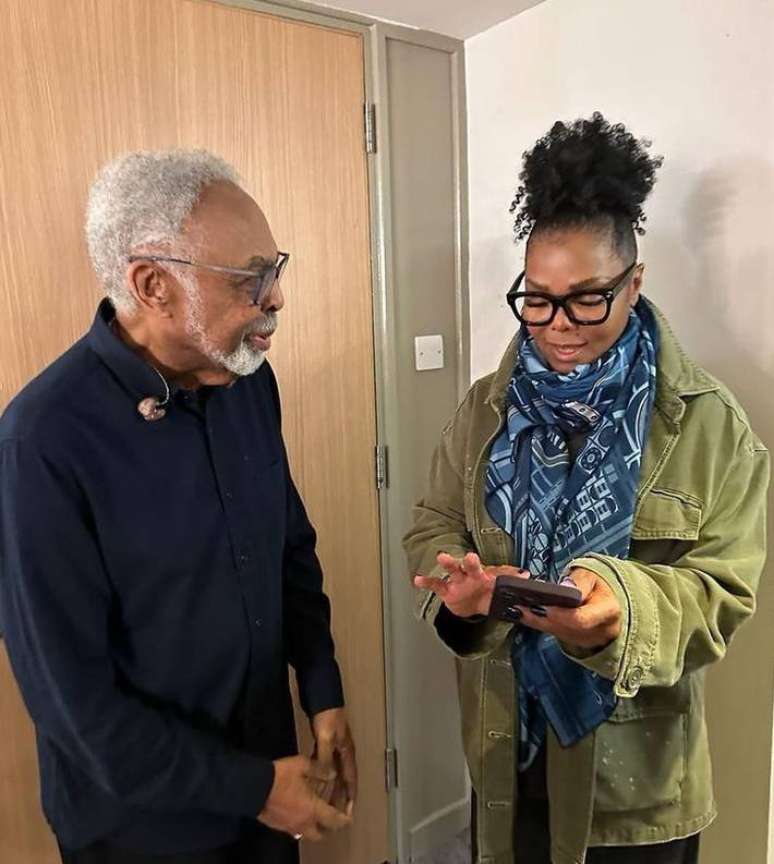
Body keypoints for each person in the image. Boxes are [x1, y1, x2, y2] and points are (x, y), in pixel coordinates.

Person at [404, 113, 769, 864]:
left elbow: (722, 596)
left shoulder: (709, 425)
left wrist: (615, 610)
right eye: (536, 299)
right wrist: (460, 588)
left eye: (586, 298)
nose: (558, 325)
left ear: (633, 284)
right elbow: (434, 522)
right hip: (507, 759)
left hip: (634, 796)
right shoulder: (485, 409)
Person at [0, 149, 356, 864]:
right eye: (252, 278)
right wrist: (251, 786)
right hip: (144, 831)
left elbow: (289, 548)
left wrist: (322, 686)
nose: (276, 298)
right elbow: (76, 709)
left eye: (275, 269)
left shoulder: (247, 378)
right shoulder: (40, 443)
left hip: (268, 793)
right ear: (153, 285)